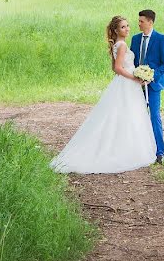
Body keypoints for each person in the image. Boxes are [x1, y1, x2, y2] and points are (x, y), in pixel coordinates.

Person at [50, 16, 157, 174]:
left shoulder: (118, 44)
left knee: (123, 115)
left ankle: (123, 147)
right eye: (122, 27)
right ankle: (124, 150)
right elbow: (119, 68)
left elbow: (116, 68)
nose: (127, 29)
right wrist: (135, 77)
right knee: (127, 114)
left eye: (127, 26)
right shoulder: (121, 46)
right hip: (127, 83)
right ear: (115, 30)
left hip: (124, 83)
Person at [130, 9, 164, 164]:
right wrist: (136, 76)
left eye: (141, 21)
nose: (139, 24)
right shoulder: (135, 39)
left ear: (150, 22)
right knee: (136, 117)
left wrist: (151, 76)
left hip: (153, 85)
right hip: (136, 85)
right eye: (138, 21)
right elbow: (133, 61)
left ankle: (160, 152)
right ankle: (139, 150)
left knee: (154, 116)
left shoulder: (161, 39)